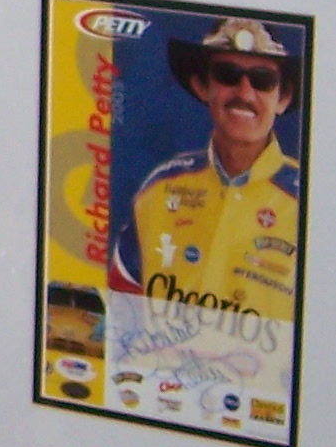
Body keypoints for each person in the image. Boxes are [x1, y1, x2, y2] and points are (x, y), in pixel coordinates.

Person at [110, 17, 300, 316]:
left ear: (283, 98)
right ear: (203, 86)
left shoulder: (308, 205)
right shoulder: (158, 189)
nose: (245, 93)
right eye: (227, 75)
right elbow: (119, 311)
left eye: (262, 80)